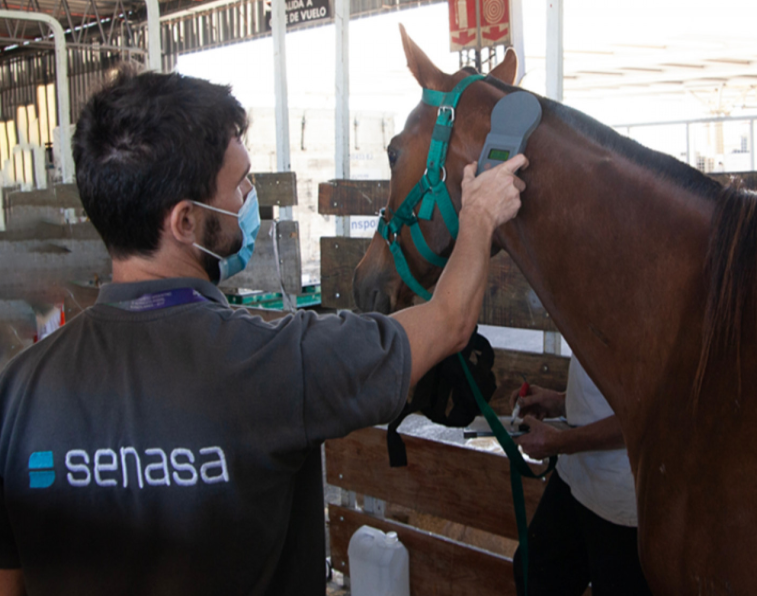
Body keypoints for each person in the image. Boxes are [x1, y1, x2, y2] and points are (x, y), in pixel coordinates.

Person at [0, 68, 528, 596]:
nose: (249, 199)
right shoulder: (274, 365)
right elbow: (449, 321)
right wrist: (479, 215)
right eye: (240, 183)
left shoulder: (18, 390)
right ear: (185, 222)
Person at [510, 355, 651, 596]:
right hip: (576, 475)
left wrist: (561, 441)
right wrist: (560, 401)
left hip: (622, 497)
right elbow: (610, 390)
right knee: (534, 573)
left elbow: (647, 413)